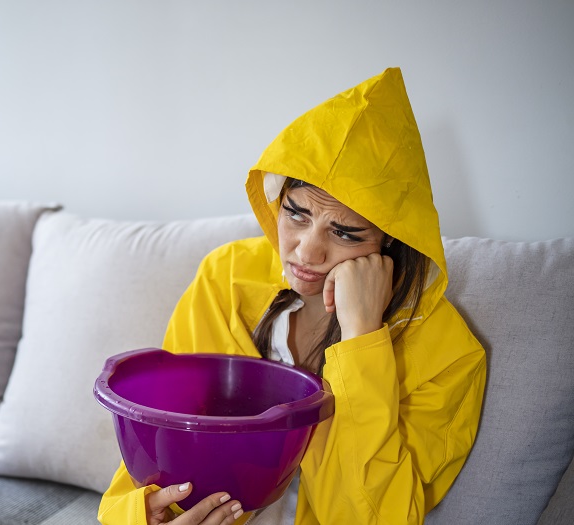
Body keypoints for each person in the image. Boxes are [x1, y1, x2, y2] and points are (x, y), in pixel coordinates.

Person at [97, 67, 487, 525]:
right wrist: (146, 516)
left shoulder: (448, 355)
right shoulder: (226, 278)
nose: (306, 250)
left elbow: (380, 518)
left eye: (344, 232)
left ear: (391, 243)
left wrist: (363, 339)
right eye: (296, 214)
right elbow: (161, 440)